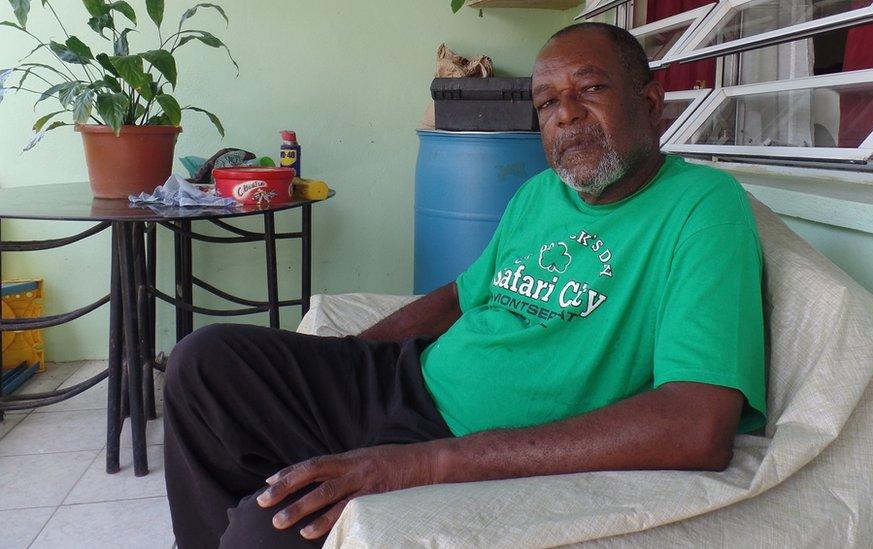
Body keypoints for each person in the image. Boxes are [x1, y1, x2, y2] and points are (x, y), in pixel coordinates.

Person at [163, 22, 766, 548]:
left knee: (262, 529)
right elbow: (461, 295)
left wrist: (424, 463)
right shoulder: (543, 192)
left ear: (652, 100)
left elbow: (698, 425)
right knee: (204, 360)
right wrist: (346, 359)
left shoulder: (703, 209)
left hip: (471, 441)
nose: (567, 115)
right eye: (547, 102)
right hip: (410, 379)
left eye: (591, 89)